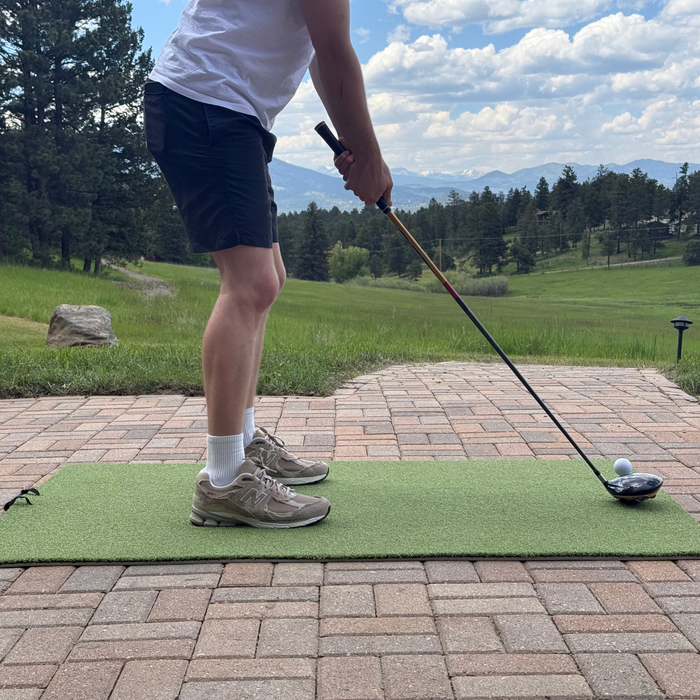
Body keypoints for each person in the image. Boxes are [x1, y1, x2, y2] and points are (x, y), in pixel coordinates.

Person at [144, 0, 393, 528]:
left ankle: (245, 444)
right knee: (249, 285)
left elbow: (321, 59)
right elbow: (334, 50)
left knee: (266, 280)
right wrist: (368, 156)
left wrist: (357, 144)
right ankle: (223, 480)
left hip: (221, 110)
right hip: (206, 105)